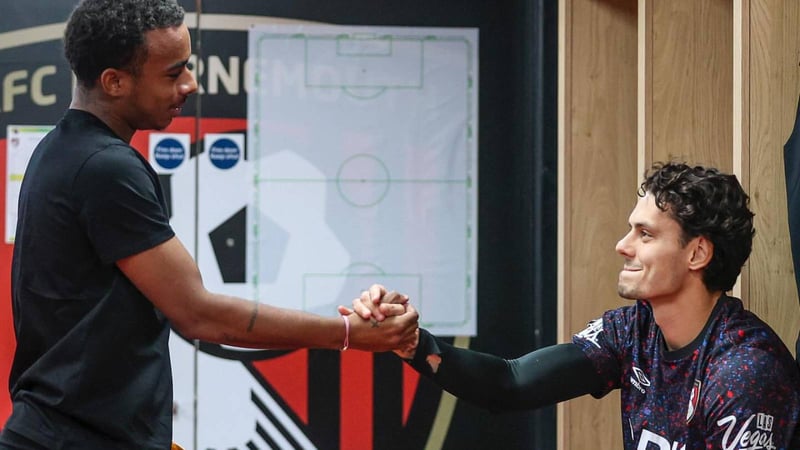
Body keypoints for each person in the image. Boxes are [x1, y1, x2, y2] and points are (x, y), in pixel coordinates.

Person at [0, 0, 418, 448]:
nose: (190, 84)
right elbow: (197, 314)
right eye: (172, 73)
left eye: (188, 67)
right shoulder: (104, 167)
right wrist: (349, 333)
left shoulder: (61, 151)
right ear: (114, 82)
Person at [348, 162, 800, 449]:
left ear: (697, 253)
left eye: (645, 234)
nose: (622, 245)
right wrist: (410, 342)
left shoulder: (745, 369)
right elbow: (511, 383)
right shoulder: (633, 330)